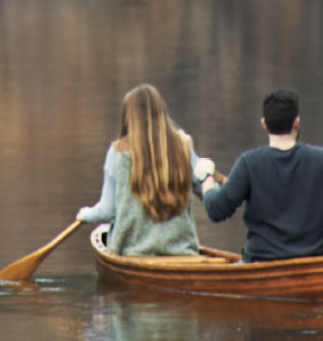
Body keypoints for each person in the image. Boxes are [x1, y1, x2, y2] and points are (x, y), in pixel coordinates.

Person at [202, 89, 323, 262]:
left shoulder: (249, 163)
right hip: (314, 264)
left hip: (262, 264)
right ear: (297, 123)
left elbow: (216, 210)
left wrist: (206, 180)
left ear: (264, 125)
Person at [75, 84, 219, 257]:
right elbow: (212, 197)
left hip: (132, 253)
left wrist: (85, 214)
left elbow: (108, 210)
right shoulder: (183, 147)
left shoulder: (117, 152)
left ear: (128, 118)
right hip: (182, 253)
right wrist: (208, 174)